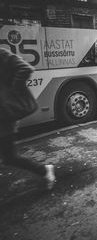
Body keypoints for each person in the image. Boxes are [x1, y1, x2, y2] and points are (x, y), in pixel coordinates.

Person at [0, 48, 56, 190]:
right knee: (9, 156)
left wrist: (13, 92)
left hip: (4, 116)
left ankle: (44, 170)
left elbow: (25, 68)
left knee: (10, 157)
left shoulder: (2, 54)